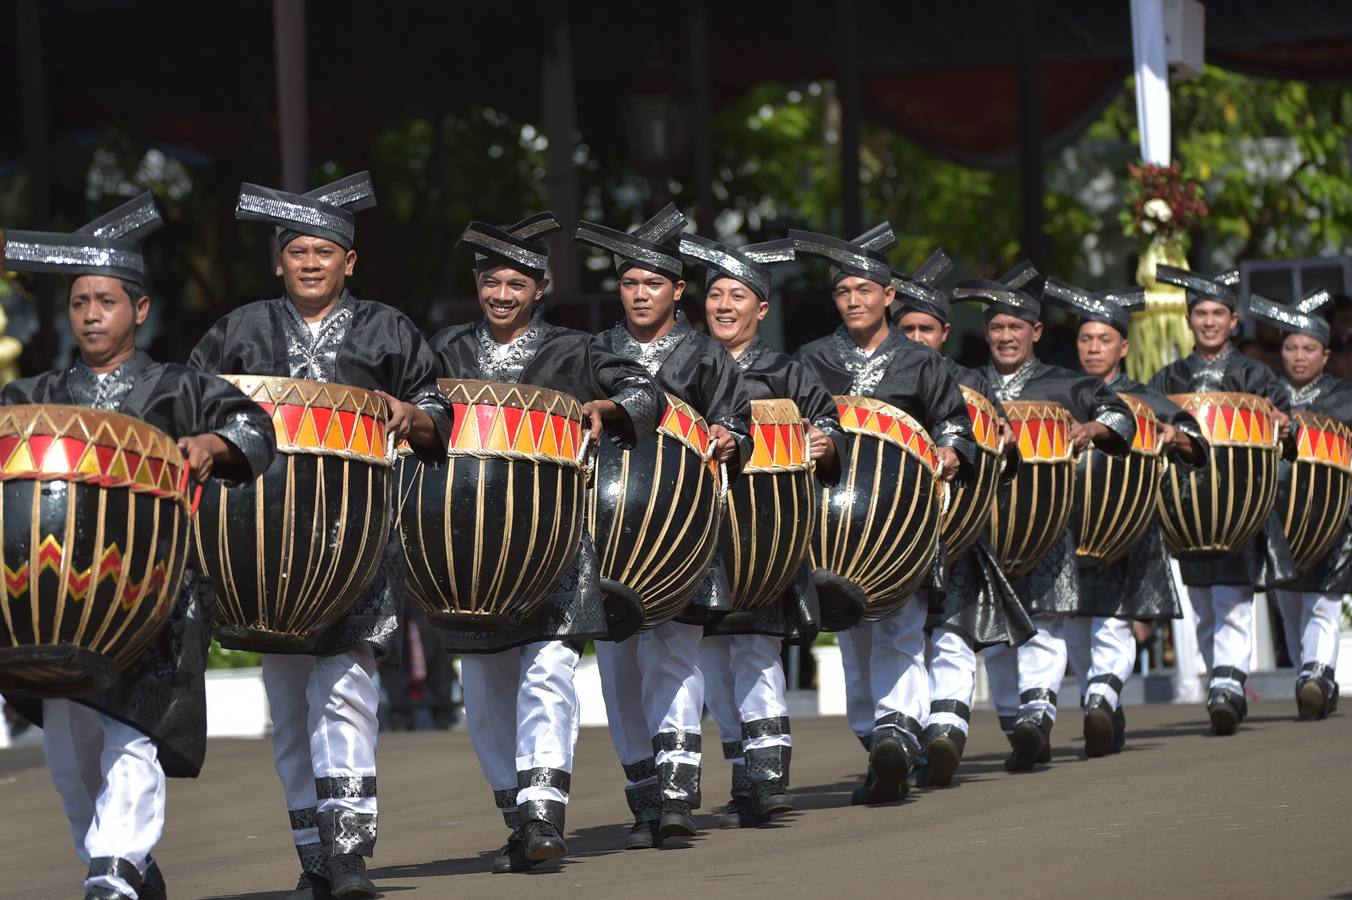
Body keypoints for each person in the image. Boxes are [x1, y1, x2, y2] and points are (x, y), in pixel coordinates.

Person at [2, 195, 275, 900]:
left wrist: (213, 442)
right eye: (80, 302)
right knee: (70, 761)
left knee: (134, 735)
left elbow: (256, 429)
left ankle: (115, 869)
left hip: (152, 596)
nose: (91, 315)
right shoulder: (32, 395)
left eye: (106, 301)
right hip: (54, 604)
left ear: (140, 309)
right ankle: (126, 868)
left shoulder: (179, 387)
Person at [188, 173, 452, 900]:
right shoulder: (238, 331)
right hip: (261, 551)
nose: (310, 262)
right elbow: (187, 401)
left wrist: (411, 414)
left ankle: (349, 852)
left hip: (357, 541)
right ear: (278, 263)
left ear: (349, 262)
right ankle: (313, 855)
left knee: (347, 693)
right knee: (288, 707)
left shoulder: (388, 330)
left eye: (324, 251)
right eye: (297, 251)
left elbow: (438, 414)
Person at [428, 213, 662, 871]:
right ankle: (517, 817)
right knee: (484, 692)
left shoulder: (576, 351)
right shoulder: (446, 349)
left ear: (541, 287)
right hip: (466, 551)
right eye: (491, 282)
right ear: (478, 285)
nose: (502, 294)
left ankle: (542, 815)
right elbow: (410, 403)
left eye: (516, 284)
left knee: (549, 673)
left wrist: (607, 408)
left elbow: (645, 391)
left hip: (556, 543)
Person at [575, 205, 752, 847]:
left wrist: (729, 436)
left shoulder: (705, 354)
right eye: (629, 283)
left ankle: (677, 792)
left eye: (652, 283)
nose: (640, 294)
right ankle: (644, 797)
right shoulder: (593, 350)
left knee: (674, 653)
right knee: (617, 667)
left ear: (678, 290)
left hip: (681, 530)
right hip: (601, 531)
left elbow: (735, 419)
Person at [790, 224, 975, 803]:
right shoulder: (812, 358)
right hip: (830, 525)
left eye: (864, 291)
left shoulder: (921, 362)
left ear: (889, 295)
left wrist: (952, 450)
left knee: (901, 628)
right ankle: (881, 744)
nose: (853, 301)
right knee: (852, 642)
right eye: (843, 292)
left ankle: (895, 733)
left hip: (902, 523)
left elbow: (954, 423)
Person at [682, 232, 843, 827]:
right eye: (715, 295)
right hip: (698, 533)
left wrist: (825, 441)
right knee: (711, 656)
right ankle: (745, 772)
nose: (724, 306)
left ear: (762, 308)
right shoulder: (686, 364)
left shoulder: (786, 370)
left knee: (756, 648)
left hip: (765, 535)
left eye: (738, 296)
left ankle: (769, 774)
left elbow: (828, 424)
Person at [952, 264, 1135, 772]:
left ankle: (1037, 715)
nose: (1005, 336)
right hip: (982, 528)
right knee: (993, 632)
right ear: (985, 332)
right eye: (996, 327)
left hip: (1047, 525)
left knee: (1046, 622)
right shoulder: (966, 384)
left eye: (1016, 327)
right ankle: (1019, 728)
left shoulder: (1068, 384)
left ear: (1035, 331)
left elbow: (1121, 417)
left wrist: (1091, 429)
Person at [1044, 276, 1207, 756]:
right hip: (1068, 526)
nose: (1094, 348)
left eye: (1104, 339)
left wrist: (1175, 436)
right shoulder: (1060, 389)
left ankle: (1102, 698)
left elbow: (1196, 443)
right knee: (1076, 628)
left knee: (1113, 624)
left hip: (1128, 527)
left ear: (1124, 347)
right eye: (1086, 339)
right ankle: (1102, 708)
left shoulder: (1143, 395)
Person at [892, 251, 1035, 786]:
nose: (916, 337)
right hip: (892, 535)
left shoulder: (972, 380)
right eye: (907, 328)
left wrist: (1002, 441)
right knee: (907, 637)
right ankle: (908, 737)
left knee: (952, 633)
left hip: (958, 531)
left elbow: (1001, 451)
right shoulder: (886, 379)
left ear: (945, 332)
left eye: (926, 329)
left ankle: (946, 732)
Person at [1149, 266, 1293, 736]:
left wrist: (1282, 422)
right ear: (1189, 320)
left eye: (1218, 314)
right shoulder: (1169, 377)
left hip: (1240, 504)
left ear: (1234, 321)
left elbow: (1286, 425)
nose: (1209, 322)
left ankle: (1227, 685)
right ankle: (1222, 683)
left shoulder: (1255, 374)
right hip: (1187, 507)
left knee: (1232, 599)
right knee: (1202, 605)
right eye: (1201, 314)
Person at [1248, 288, 1349, 720]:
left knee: (1322, 602)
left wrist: (1298, 427)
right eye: (1291, 348)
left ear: (1325, 355)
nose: (1299, 357)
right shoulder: (1265, 397)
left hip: (1334, 517)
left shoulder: (1344, 396)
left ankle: (1315, 673)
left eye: (1309, 349)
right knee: (1290, 607)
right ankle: (1309, 676)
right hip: (1280, 517)